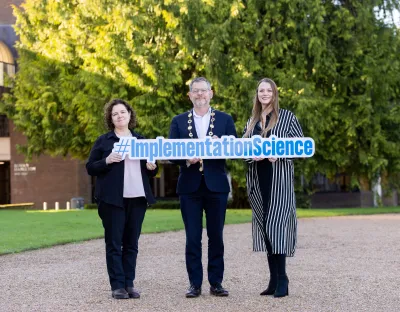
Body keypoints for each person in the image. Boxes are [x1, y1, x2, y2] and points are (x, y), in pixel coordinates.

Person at [169, 77, 237, 298]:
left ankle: (216, 283)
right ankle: (194, 284)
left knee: (216, 236)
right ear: (189, 95)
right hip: (189, 187)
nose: (200, 94)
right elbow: (171, 154)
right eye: (195, 91)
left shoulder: (225, 120)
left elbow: (234, 149)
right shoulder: (178, 121)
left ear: (211, 93)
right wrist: (187, 160)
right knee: (192, 237)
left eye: (203, 91)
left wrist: (221, 145)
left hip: (216, 186)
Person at [86, 99, 158, 299]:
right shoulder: (104, 141)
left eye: (122, 112)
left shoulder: (141, 140)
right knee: (114, 243)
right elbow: (90, 167)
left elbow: (151, 170)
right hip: (112, 200)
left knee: (132, 243)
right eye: (115, 113)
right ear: (111, 118)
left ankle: (129, 283)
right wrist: (107, 160)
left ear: (129, 115)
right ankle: (117, 285)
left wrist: (152, 167)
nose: (119, 116)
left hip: (138, 197)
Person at [243, 78, 304, 298]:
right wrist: (252, 155)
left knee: (277, 226)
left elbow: (301, 147)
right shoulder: (252, 121)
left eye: (269, 90)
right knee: (266, 227)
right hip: (258, 181)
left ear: (275, 93)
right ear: (257, 94)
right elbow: (242, 149)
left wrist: (280, 154)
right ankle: (272, 278)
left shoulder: (287, 117)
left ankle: (283, 279)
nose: (265, 93)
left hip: (279, 180)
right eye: (261, 90)